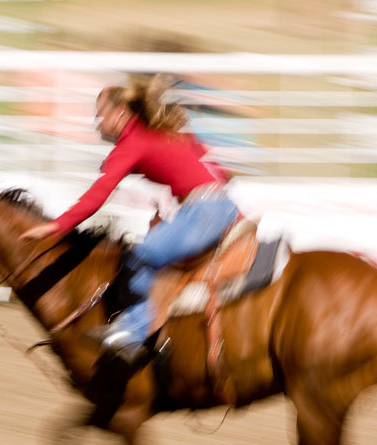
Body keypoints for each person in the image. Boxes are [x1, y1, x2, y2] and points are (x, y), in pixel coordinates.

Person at [20, 75, 239, 364]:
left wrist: (57, 225)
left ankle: (133, 333)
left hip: (203, 211)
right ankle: (153, 334)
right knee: (154, 255)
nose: (97, 123)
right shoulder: (164, 132)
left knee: (142, 254)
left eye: (100, 114)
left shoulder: (132, 141)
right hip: (221, 207)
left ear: (120, 113)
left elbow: (98, 195)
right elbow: (211, 171)